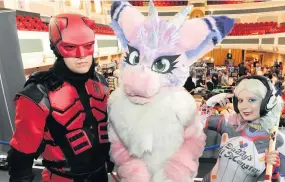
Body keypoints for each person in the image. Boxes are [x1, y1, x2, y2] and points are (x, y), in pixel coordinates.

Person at [7, 13, 113, 182]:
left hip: (100, 175)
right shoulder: (38, 92)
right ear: (55, 47)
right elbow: (22, 154)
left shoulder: (99, 82)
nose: (81, 55)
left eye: (88, 45)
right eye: (70, 47)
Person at [203, 76, 285, 182]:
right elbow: (194, 121)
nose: (244, 106)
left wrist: (274, 173)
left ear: (267, 103)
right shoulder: (230, 124)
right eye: (241, 100)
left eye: (251, 100)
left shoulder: (276, 141)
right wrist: (212, 101)